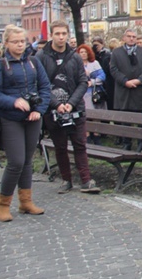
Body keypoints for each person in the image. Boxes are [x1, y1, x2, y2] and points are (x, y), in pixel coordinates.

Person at [0, 25, 51, 221]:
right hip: (10, 118)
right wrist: (14, 101)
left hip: (32, 119)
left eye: (22, 41)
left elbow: (45, 87)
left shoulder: (33, 62)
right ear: (6, 43)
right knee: (15, 162)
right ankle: (3, 204)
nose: (20, 45)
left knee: (27, 162)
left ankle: (26, 201)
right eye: (15, 42)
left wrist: (39, 110)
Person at [37, 21, 100, 194]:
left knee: (80, 144)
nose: (61, 37)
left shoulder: (75, 56)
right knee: (60, 146)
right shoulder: (41, 57)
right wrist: (56, 104)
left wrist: (71, 103)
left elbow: (82, 82)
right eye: (57, 33)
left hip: (75, 107)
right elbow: (41, 85)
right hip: (53, 109)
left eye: (64, 33)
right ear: (51, 35)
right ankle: (66, 179)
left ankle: (86, 180)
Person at [110, 29, 142, 149]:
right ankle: (127, 143)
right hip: (124, 90)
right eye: (129, 36)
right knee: (125, 119)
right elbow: (113, 69)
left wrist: (138, 80)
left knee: (141, 119)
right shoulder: (116, 53)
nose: (132, 38)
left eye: (134, 36)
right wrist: (125, 81)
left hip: (139, 90)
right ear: (124, 38)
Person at [77, 44, 106, 111]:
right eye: (81, 52)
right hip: (82, 93)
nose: (83, 54)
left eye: (85, 52)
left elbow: (102, 76)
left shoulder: (94, 63)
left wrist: (92, 82)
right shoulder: (76, 65)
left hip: (94, 92)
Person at [92, 36, 114, 110]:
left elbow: (106, 70)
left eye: (97, 45)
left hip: (107, 83)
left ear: (102, 45)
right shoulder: (93, 56)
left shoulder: (107, 55)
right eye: (94, 45)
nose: (96, 47)